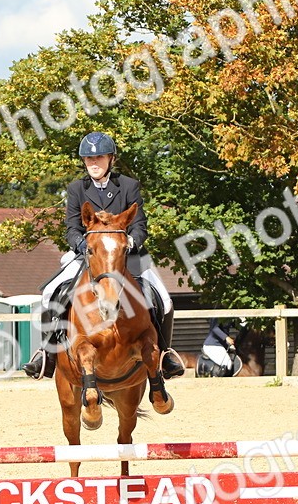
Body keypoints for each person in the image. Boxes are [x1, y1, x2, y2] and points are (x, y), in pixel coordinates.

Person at [23, 131, 184, 380]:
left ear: (111, 159)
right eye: (89, 159)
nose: (94, 163)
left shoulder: (128, 186)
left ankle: (165, 355)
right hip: (88, 254)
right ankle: (47, 354)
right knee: (49, 293)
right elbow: (71, 227)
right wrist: (81, 244)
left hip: (126, 255)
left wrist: (130, 242)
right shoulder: (76, 189)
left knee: (163, 297)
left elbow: (139, 225)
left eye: (99, 157)